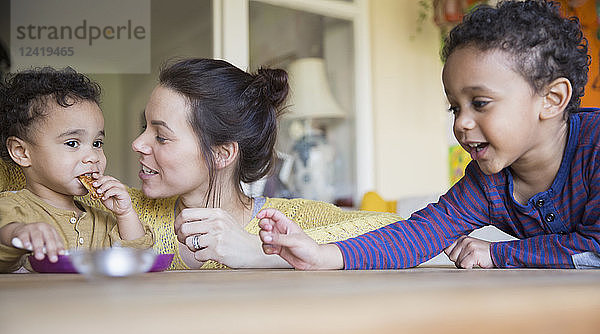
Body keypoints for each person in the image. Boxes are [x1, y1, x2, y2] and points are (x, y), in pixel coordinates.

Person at [257, 0, 600, 270]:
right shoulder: (487, 184)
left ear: (552, 100)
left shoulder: (595, 147)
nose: (462, 123)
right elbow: (418, 234)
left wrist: (500, 254)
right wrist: (321, 255)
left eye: (479, 103)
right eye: (455, 108)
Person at [126, 58, 400, 269]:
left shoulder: (284, 221)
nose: (138, 143)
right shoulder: (125, 210)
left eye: (161, 136)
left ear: (222, 154)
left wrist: (258, 250)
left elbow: (406, 234)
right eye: (145, 127)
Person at [0, 67, 153, 272]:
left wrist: (125, 214)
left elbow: (138, 260)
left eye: (97, 143)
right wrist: (18, 233)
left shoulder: (103, 219)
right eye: (72, 143)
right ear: (21, 152)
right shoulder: (13, 208)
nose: (93, 157)